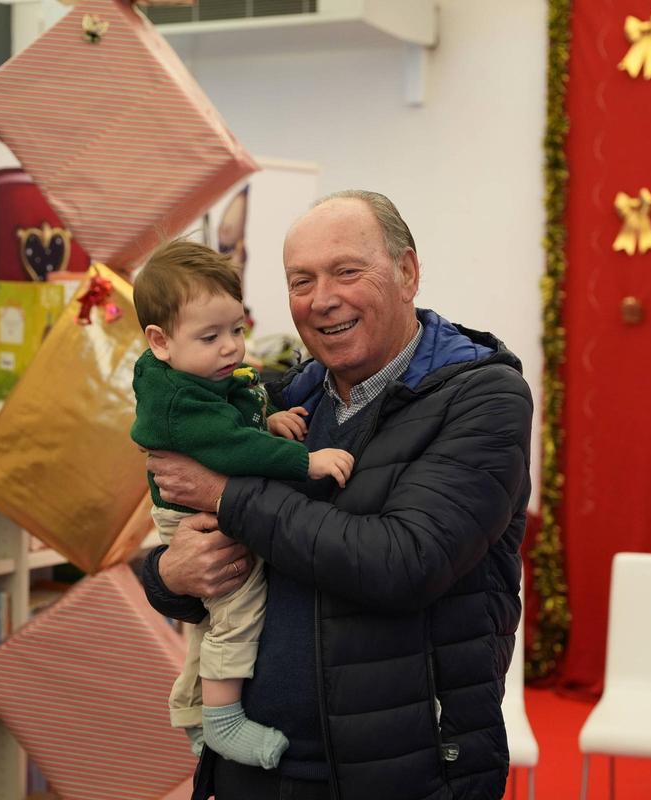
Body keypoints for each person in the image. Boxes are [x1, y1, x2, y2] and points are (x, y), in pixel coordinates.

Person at [140, 191, 533, 800]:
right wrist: (169, 573)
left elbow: (402, 562)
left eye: (347, 271)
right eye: (301, 280)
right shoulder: (282, 398)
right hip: (255, 767)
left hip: (399, 773)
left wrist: (227, 497)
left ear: (407, 273)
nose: (322, 299)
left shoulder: (482, 399)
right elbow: (207, 568)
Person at [130, 239, 355, 772]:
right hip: (194, 515)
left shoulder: (194, 370)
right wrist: (306, 462)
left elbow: (242, 401)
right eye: (211, 336)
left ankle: (194, 711)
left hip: (206, 505)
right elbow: (235, 446)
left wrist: (270, 416)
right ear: (160, 342)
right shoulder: (178, 402)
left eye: (237, 329)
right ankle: (222, 718)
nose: (231, 348)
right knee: (239, 603)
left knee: (214, 618)